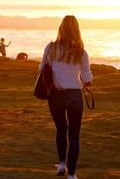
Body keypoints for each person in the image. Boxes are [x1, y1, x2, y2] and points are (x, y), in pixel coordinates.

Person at [39, 15, 93, 179]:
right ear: (77, 30)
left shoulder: (51, 48)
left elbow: (42, 68)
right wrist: (86, 81)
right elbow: (87, 78)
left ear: (61, 28)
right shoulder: (81, 52)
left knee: (61, 129)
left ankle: (61, 165)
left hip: (55, 95)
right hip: (75, 95)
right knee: (74, 135)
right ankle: (72, 175)